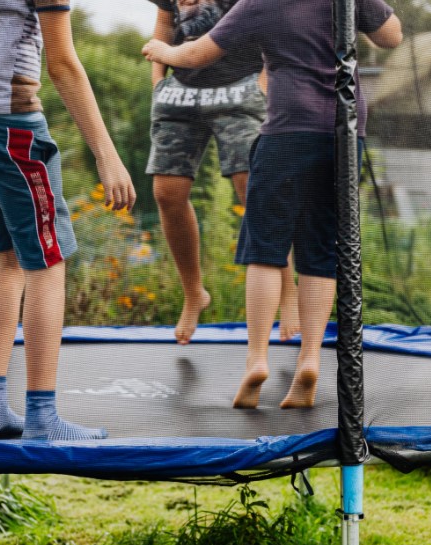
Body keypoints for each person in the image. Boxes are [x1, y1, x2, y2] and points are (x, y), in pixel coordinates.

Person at [142, 0, 402, 409]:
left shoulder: (261, 2)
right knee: (320, 251)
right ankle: (310, 359)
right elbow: (392, 36)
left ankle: (257, 359)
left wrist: (163, 53)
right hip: (346, 133)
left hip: (287, 130)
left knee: (265, 249)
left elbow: (197, 53)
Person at [0, 0, 136, 440]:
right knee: (48, 259)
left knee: (6, 257)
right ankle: (42, 416)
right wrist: (107, 154)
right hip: (8, 121)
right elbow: (62, 64)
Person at [146, 0, 301, 345]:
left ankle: (289, 292)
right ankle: (193, 294)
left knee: (254, 189)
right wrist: (157, 83)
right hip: (181, 91)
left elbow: (270, 25)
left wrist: (262, 84)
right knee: (166, 193)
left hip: (240, 86)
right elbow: (163, 25)